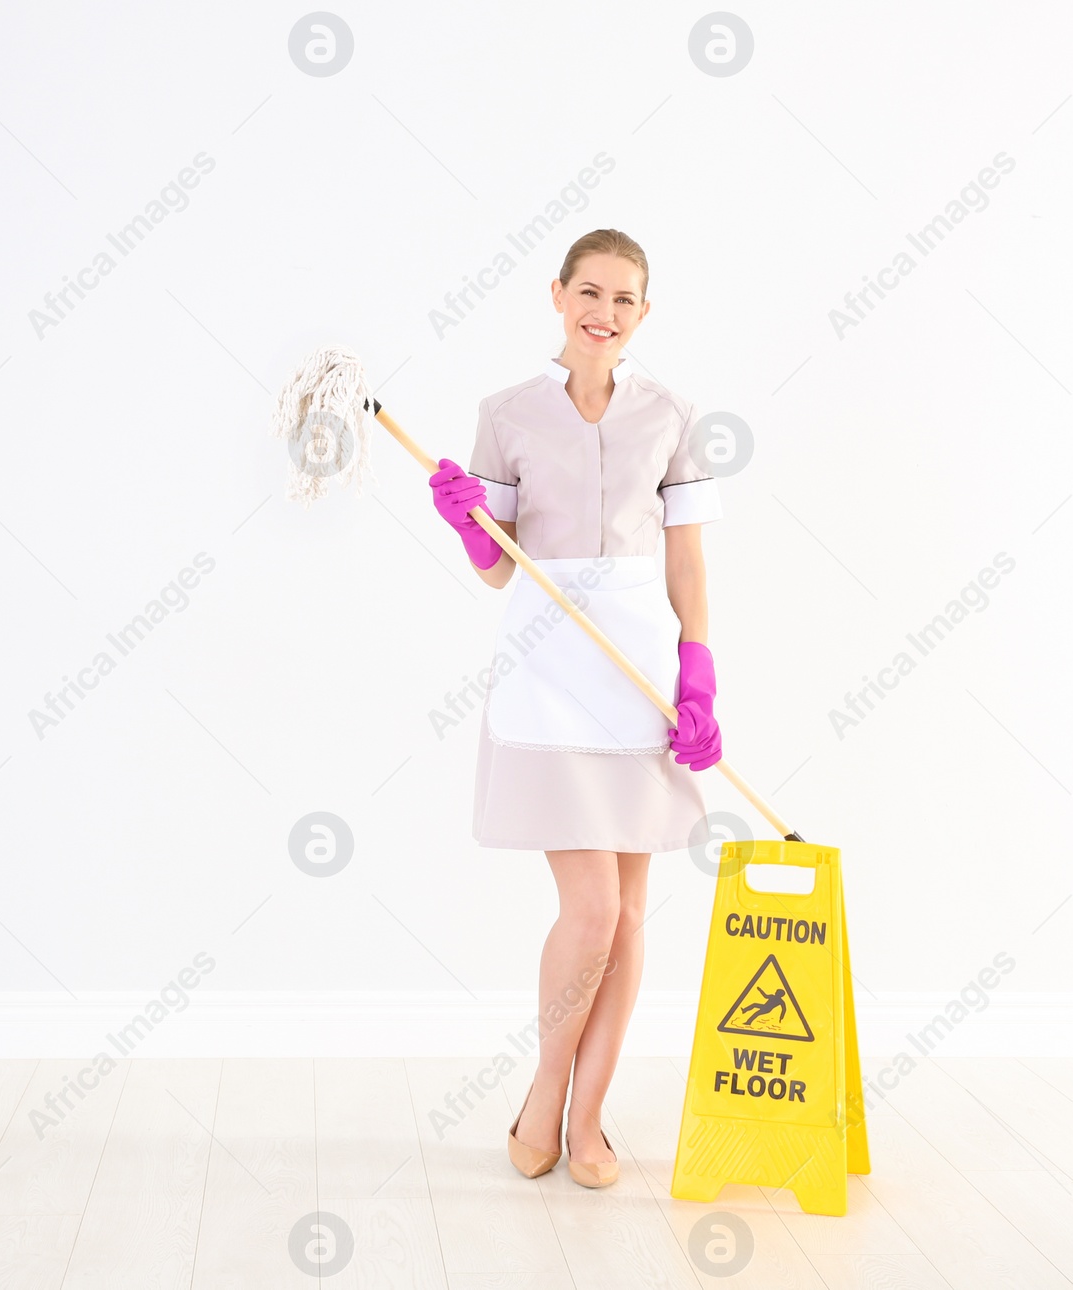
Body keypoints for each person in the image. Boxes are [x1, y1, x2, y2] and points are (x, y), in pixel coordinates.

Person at [427, 228, 724, 1188]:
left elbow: (685, 556)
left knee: (632, 915)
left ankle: (587, 1121)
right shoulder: (506, 414)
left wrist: (698, 670)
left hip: (637, 667)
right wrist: (466, 519)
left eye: (624, 299)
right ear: (556, 296)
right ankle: (544, 1096)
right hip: (552, 665)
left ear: (645, 312)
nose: (604, 312)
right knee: (592, 909)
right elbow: (491, 565)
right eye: (588, 292)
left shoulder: (673, 414)